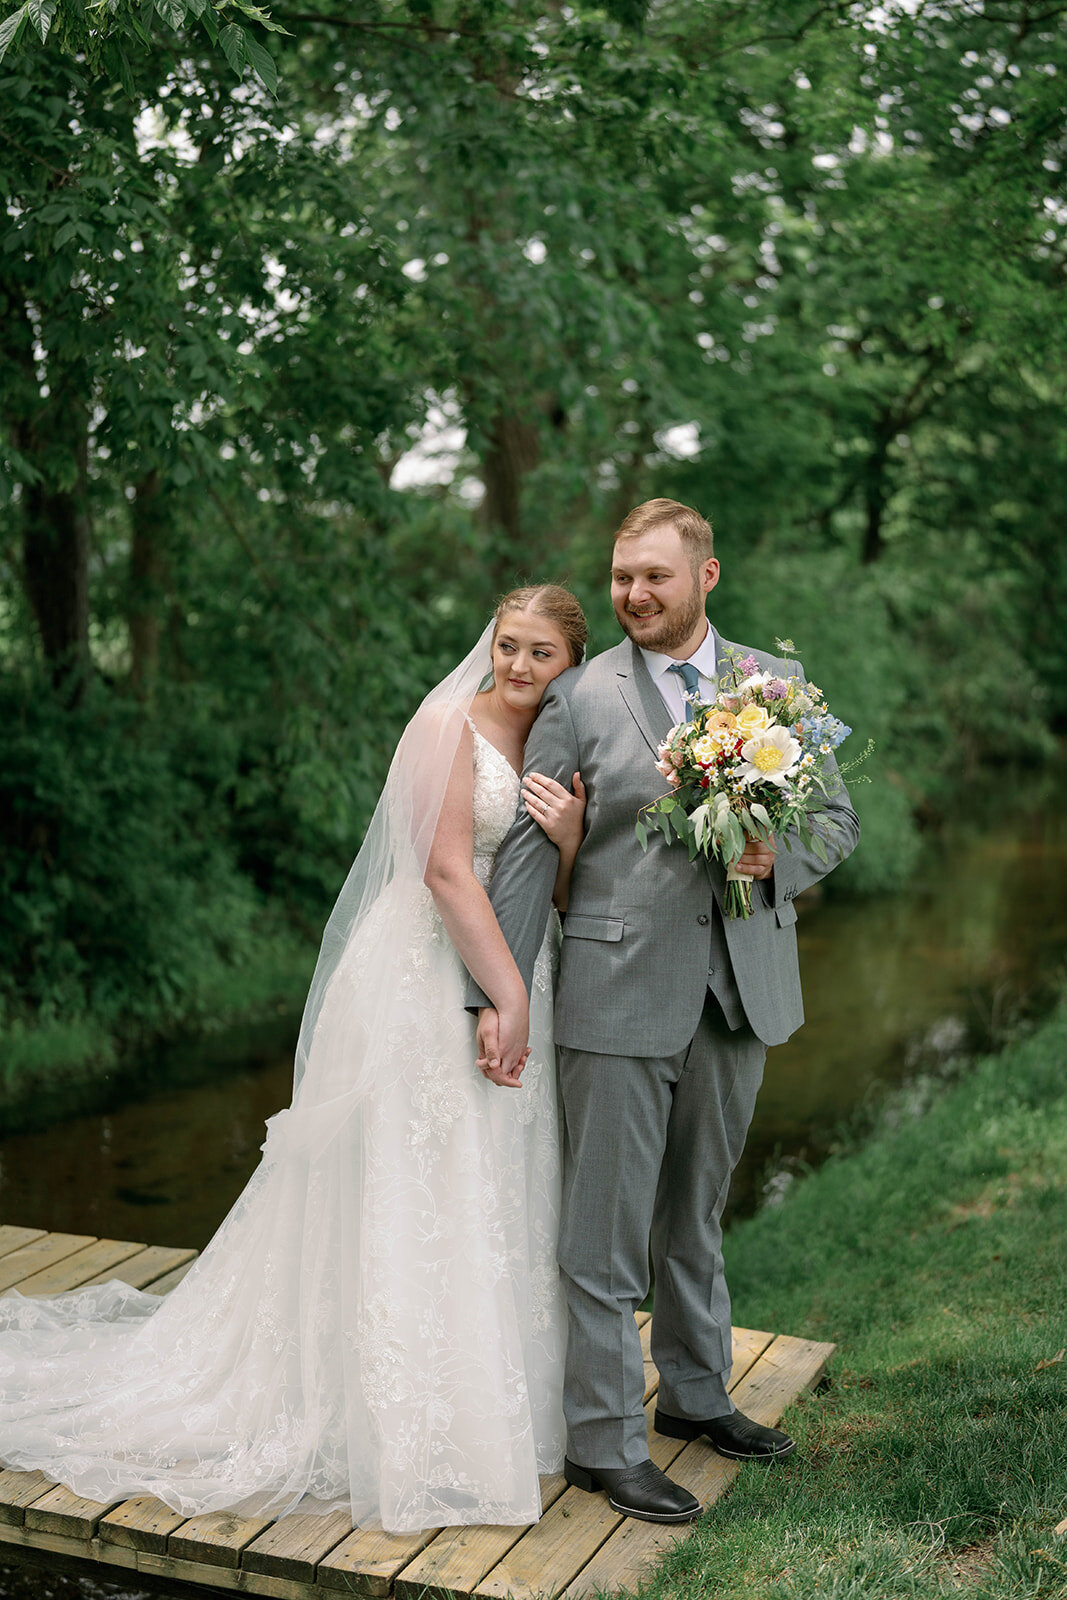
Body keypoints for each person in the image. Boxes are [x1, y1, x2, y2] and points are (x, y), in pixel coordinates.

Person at [0, 584, 588, 1535]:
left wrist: (566, 842)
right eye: (508, 645)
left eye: (541, 654)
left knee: (489, 1179)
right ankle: (386, 1414)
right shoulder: (445, 724)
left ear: (569, 663)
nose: (518, 666)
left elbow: (549, 887)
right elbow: (443, 869)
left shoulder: (557, 744)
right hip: (424, 971)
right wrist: (507, 997)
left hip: (518, 963)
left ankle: (482, 1403)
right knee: (412, 1175)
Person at [473, 500, 860, 1525]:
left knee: (692, 1214)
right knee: (601, 1239)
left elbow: (837, 814)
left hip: (738, 991)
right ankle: (605, 1441)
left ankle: (694, 1398)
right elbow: (522, 850)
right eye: (620, 576)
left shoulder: (772, 686)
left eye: (654, 576)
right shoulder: (577, 694)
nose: (633, 594)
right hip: (613, 990)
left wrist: (778, 856)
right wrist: (498, 993)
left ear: (706, 576)